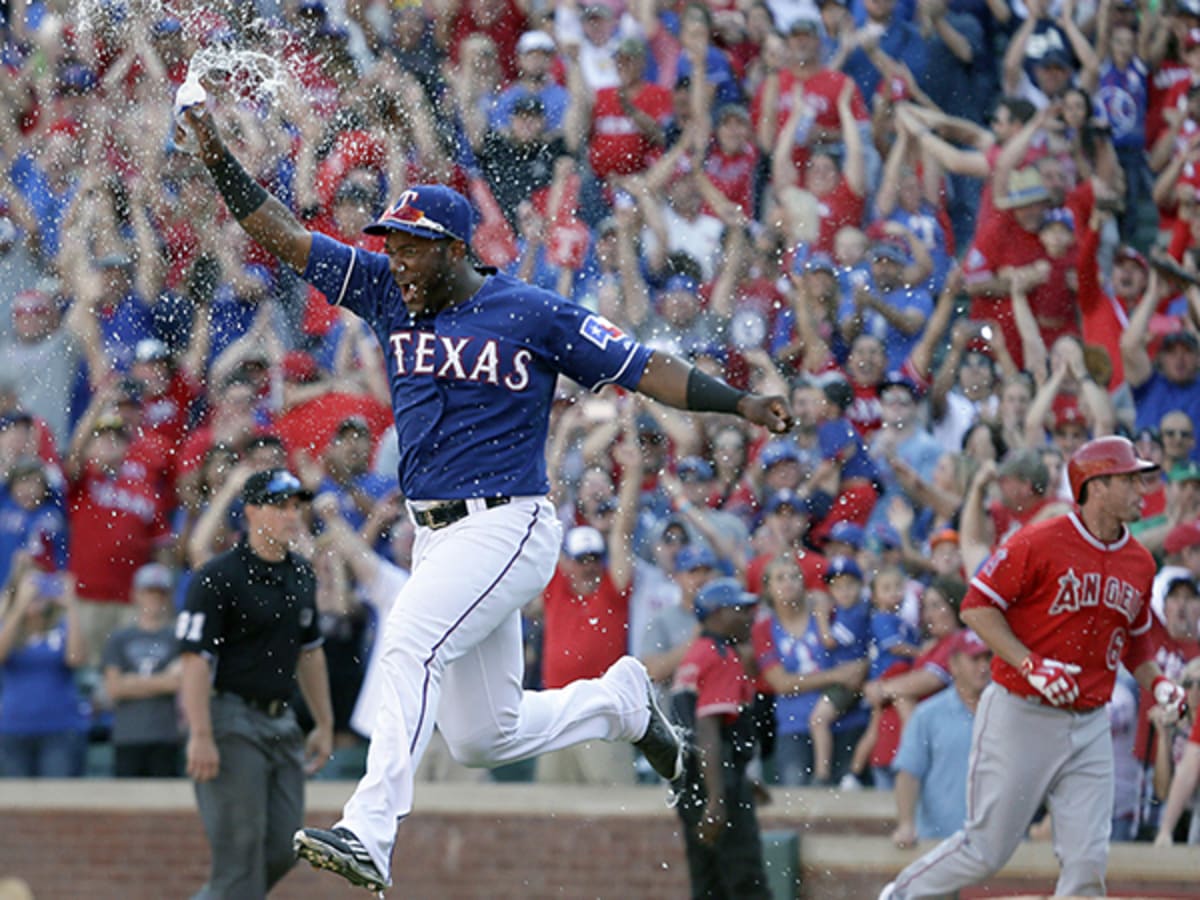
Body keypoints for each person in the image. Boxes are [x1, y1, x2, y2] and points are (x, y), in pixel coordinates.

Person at [179, 100, 791, 893]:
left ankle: (369, 829)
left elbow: (643, 366)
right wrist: (219, 155)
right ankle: (624, 703)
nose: (395, 259)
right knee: (482, 734)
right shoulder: (386, 291)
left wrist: (737, 404)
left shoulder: (530, 310)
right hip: (438, 535)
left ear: (456, 249)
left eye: (412, 248)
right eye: (390, 245)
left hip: (508, 521)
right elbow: (283, 236)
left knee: (407, 642)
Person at [880, 436, 1189, 900]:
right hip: (1021, 712)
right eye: (1131, 479)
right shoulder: (1041, 539)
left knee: (1087, 864)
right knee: (986, 849)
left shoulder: (1140, 561)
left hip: (1089, 723)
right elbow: (977, 606)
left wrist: (1160, 683)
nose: (1144, 488)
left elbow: (1137, 642)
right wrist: (1030, 662)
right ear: (1098, 485)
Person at [177, 469, 335, 900]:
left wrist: (323, 721)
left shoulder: (301, 574)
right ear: (250, 512)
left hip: (281, 722)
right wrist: (202, 734)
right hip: (230, 720)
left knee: (285, 848)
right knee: (239, 857)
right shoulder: (218, 576)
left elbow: (311, 651)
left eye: (294, 506)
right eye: (278, 505)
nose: (290, 515)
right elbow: (194, 660)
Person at [671, 577, 771, 900]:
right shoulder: (720, 654)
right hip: (715, 778)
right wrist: (718, 796)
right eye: (740, 608)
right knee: (746, 881)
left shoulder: (697, 652)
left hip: (691, 779)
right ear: (716, 613)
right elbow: (709, 729)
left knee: (708, 883)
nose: (748, 616)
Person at [890, 628, 992, 848]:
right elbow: (908, 773)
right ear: (953, 665)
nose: (983, 667)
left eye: (988, 658)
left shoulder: (1011, 712)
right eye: (975, 659)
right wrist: (906, 824)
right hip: (940, 842)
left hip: (999, 845)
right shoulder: (928, 714)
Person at [100, 562, 183, 777]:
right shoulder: (120, 638)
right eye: (149, 592)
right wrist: (162, 681)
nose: (154, 599)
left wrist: (131, 682)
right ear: (136, 594)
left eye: (160, 593)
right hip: (128, 736)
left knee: (165, 806)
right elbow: (114, 689)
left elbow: (178, 682)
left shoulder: (177, 638)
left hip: (166, 736)